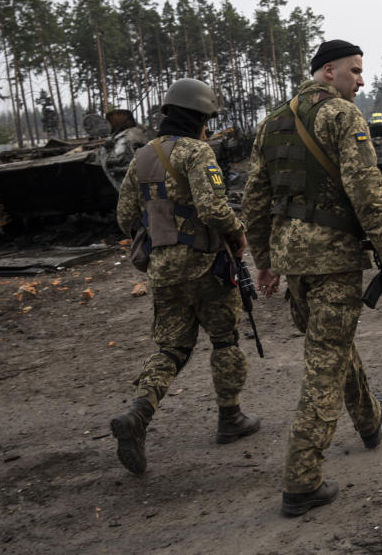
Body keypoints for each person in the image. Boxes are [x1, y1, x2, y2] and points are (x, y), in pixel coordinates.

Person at [242, 40, 382, 516]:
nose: (361, 80)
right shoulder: (342, 116)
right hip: (333, 260)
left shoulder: (272, 121)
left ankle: (369, 417)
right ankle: (301, 480)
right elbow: (367, 189)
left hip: (294, 262)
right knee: (324, 364)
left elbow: (254, 198)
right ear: (328, 72)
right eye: (355, 71)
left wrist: (266, 259)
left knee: (329, 346)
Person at [110, 78, 260, 476]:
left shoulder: (141, 157)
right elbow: (213, 208)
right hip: (205, 264)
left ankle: (138, 415)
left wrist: (160, 234)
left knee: (172, 348)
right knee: (225, 340)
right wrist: (238, 231)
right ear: (200, 118)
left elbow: (125, 217)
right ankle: (231, 419)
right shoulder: (198, 153)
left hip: (161, 270)